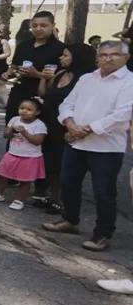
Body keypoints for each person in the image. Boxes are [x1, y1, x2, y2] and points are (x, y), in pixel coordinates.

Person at [43, 41, 133, 252]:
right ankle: (70, 220)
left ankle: (102, 233)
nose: (108, 59)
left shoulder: (129, 82)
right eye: (103, 55)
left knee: (103, 192)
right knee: (69, 184)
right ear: (97, 57)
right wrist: (70, 124)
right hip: (76, 144)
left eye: (114, 55)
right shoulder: (87, 78)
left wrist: (87, 129)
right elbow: (67, 104)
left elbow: (121, 114)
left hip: (106, 148)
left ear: (126, 57)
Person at [34, 43, 97, 214]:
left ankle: (63, 201)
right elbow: (43, 94)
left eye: (66, 55)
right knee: (51, 162)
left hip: (67, 126)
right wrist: (43, 78)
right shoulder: (61, 73)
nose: (61, 58)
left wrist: (74, 128)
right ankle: (53, 197)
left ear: (77, 58)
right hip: (49, 122)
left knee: (65, 165)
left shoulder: (86, 79)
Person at [0, 98, 47, 210]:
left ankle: (19, 200)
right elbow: (6, 135)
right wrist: (10, 131)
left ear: (37, 112)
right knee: (1, 174)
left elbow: (37, 141)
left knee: (25, 179)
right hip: (12, 153)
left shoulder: (39, 125)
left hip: (29, 156)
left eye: (29, 109)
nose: (24, 111)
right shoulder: (14, 119)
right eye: (22, 108)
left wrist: (24, 132)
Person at [5, 11, 65, 123]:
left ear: (53, 25)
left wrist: (38, 75)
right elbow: (14, 66)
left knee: (38, 132)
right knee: (12, 127)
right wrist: (7, 74)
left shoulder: (60, 49)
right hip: (19, 93)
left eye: (43, 25)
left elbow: (62, 77)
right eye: (34, 26)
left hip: (44, 97)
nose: (38, 29)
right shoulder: (23, 46)